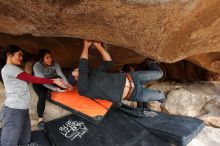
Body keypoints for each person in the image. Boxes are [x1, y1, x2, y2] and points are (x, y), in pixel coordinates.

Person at [0, 45, 66, 146]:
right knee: (8, 142)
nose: (22, 58)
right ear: (9, 55)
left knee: (25, 139)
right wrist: (53, 81)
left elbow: (25, 82)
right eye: (19, 55)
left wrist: (27, 70)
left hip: (23, 109)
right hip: (14, 110)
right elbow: (32, 79)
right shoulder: (9, 68)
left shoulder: (14, 69)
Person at [71, 40, 165, 105]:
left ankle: (148, 62)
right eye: (74, 70)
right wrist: (86, 46)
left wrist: (99, 47)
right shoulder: (82, 89)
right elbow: (83, 68)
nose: (77, 69)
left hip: (133, 78)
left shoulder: (95, 73)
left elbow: (108, 63)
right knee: (161, 95)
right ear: (74, 79)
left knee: (159, 74)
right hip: (134, 94)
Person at [32, 48, 73, 130]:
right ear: (41, 59)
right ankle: (40, 120)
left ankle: (52, 91)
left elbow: (61, 75)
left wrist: (67, 84)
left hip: (52, 79)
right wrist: (55, 89)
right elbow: (43, 81)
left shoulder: (55, 64)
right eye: (47, 58)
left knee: (62, 83)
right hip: (39, 82)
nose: (50, 59)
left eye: (51, 57)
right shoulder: (37, 66)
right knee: (42, 96)